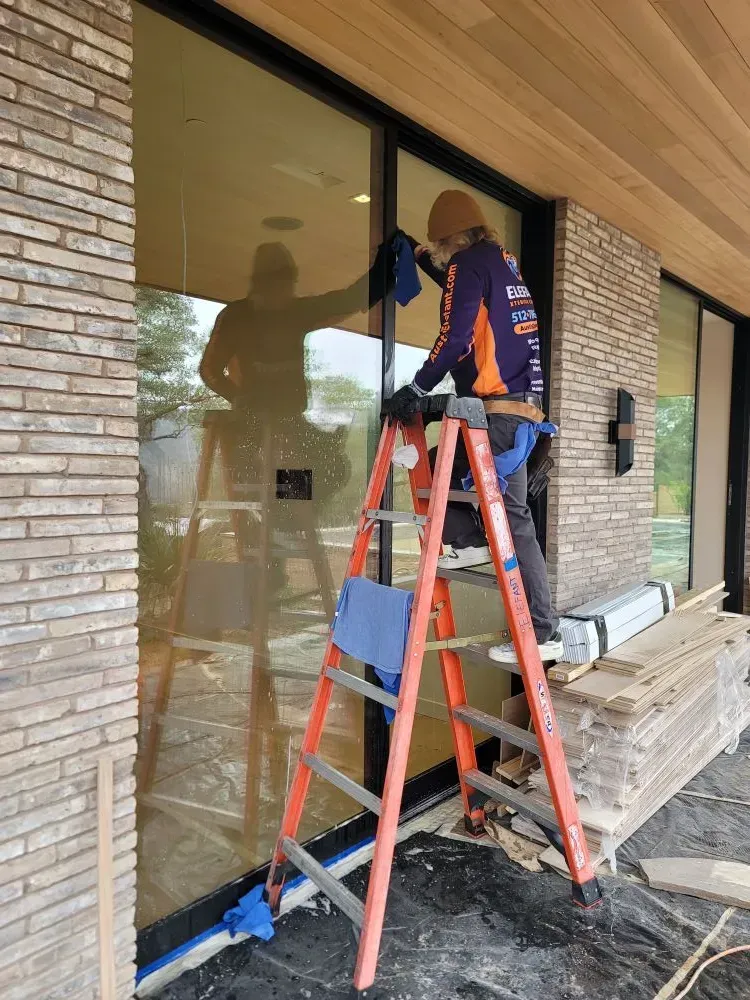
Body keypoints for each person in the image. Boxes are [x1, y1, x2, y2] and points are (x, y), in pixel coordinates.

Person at [387, 190, 562, 664]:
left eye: (437, 248)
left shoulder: (468, 266)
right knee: (474, 479)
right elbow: (472, 300)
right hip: (522, 411)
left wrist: (418, 388)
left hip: (500, 415)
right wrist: (425, 261)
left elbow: (455, 338)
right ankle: (465, 543)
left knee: (505, 510)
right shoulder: (502, 261)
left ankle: (542, 631)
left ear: (449, 241)